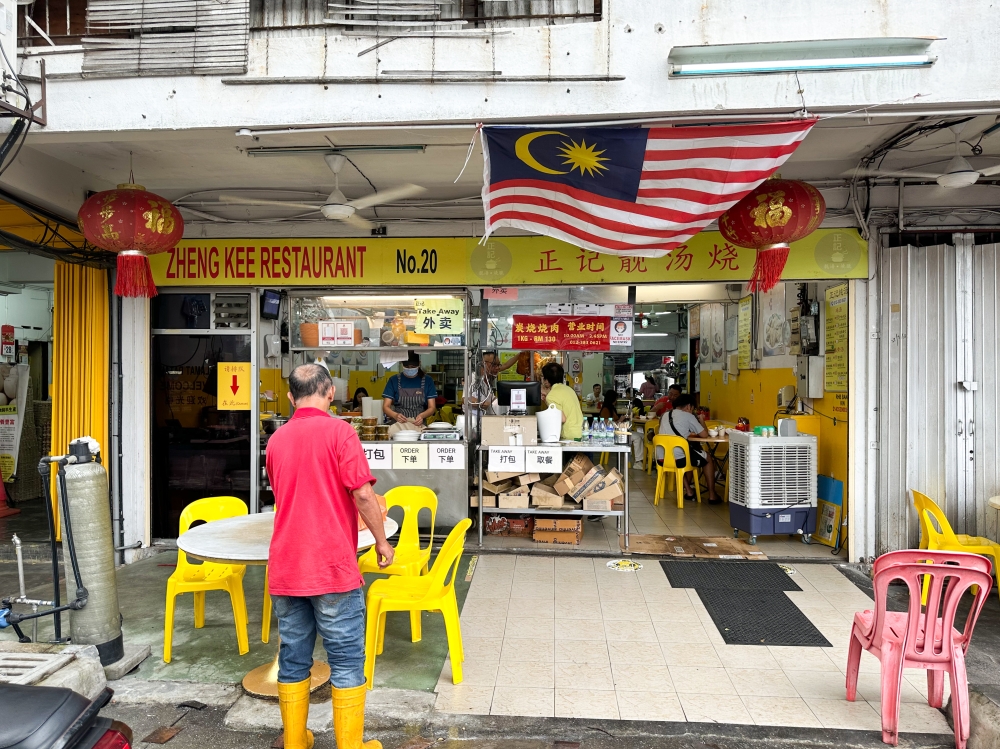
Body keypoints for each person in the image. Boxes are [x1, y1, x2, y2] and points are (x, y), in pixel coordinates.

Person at [266, 364, 394, 749]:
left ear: (291, 398)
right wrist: (382, 542)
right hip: (332, 567)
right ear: (329, 392)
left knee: (292, 658)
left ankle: (295, 741)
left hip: (286, 568)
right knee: (346, 661)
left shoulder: (276, 441)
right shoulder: (341, 432)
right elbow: (363, 494)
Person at [657, 394, 719, 504]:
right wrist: (701, 420)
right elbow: (704, 435)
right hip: (679, 459)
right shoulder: (688, 416)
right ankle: (712, 495)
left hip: (662, 458)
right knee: (708, 458)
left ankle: (689, 491)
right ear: (689, 406)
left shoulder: (665, 415)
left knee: (679, 455)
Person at [382, 351, 437, 426]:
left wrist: (422, 416)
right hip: (399, 425)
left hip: (419, 425)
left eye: (413, 367)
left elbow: (432, 407)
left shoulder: (427, 380)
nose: (410, 369)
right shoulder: (394, 380)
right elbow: (386, 407)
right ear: (402, 364)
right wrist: (395, 415)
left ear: (419, 364)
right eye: (407, 367)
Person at [540, 362, 583, 440]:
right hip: (580, 431)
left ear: (546, 380)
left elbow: (561, 418)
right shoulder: (569, 389)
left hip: (569, 435)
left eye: (543, 377)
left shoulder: (552, 395)